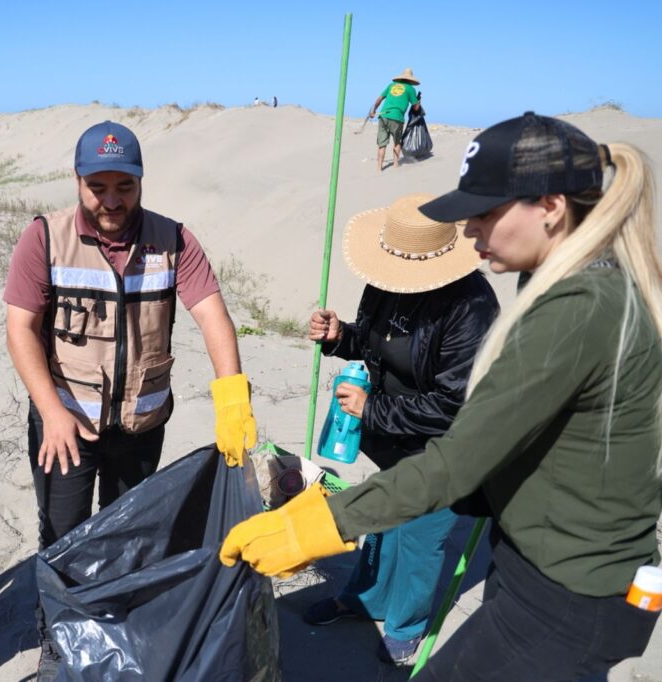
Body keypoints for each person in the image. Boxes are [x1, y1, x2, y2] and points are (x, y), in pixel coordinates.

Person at [221, 112, 662, 681]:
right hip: (538, 564)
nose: (470, 229)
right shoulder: (562, 281)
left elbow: (458, 458)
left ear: (550, 207)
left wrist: (306, 528)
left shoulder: (576, 307)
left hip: (572, 591)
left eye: (483, 211)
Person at [4, 120, 257, 680]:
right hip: (64, 424)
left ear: (142, 182)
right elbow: (21, 328)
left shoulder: (175, 241)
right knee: (62, 537)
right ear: (77, 180)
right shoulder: (44, 237)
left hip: (141, 425)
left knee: (131, 536)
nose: (112, 200)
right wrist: (51, 413)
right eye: (99, 188)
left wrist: (232, 398)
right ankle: (57, 639)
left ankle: (116, 625)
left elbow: (213, 316)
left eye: (126, 187)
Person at [302, 193, 498, 664]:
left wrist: (371, 411)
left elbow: (455, 404)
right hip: (392, 436)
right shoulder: (386, 282)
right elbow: (380, 344)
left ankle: (406, 628)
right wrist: (340, 337)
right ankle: (363, 599)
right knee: (383, 519)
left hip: (444, 449)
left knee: (421, 537)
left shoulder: (470, 307)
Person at [368, 68, 421, 171]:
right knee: (397, 142)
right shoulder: (410, 89)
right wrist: (418, 101)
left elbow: (379, 99)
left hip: (383, 116)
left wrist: (374, 111)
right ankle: (396, 164)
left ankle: (379, 168)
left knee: (382, 144)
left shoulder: (391, 85)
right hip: (397, 117)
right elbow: (416, 107)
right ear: (411, 80)